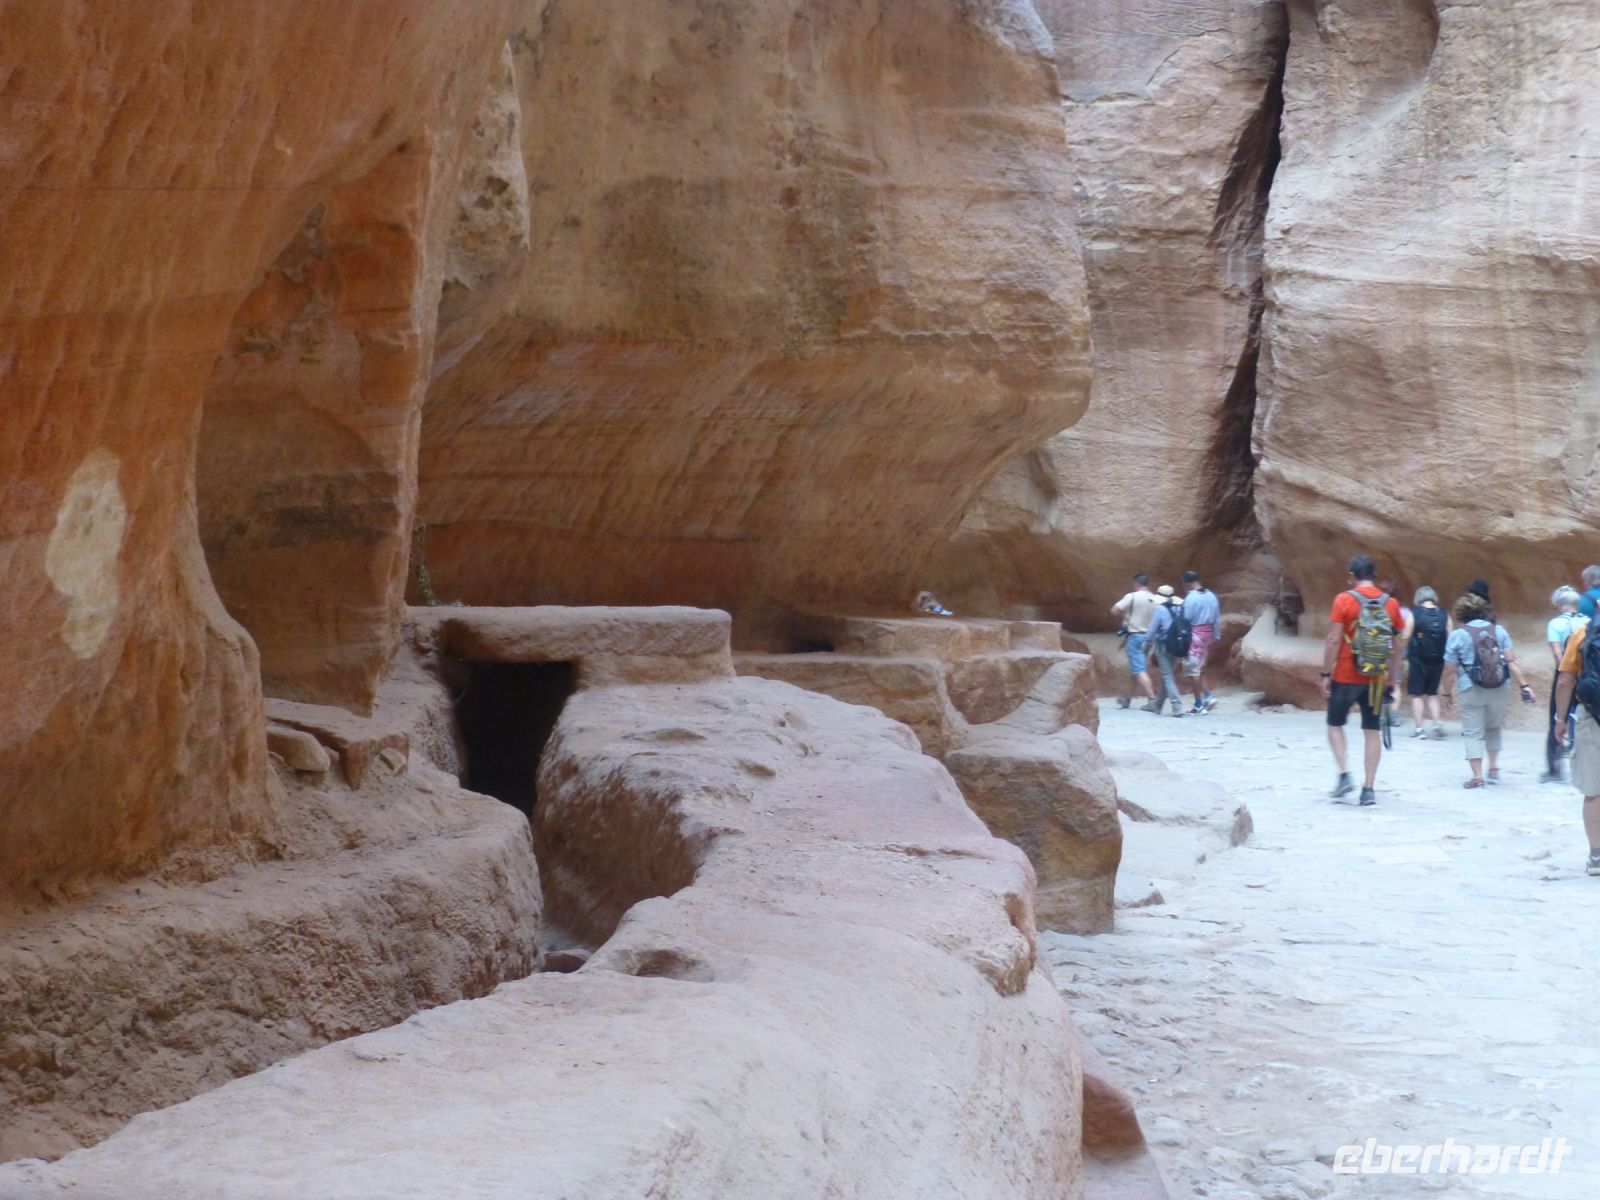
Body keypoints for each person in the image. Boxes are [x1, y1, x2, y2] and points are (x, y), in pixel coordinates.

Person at [1321, 555, 1408, 805]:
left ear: (1351, 576)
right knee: (1372, 731)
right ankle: (1368, 789)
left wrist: (1326, 673)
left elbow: (1334, 639)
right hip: (1376, 679)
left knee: (1334, 724)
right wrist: (1392, 678)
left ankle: (1344, 774)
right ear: (1374, 576)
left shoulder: (1344, 600)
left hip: (1346, 675)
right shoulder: (1390, 604)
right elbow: (1398, 645)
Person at [1441, 593, 1535, 788]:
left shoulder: (1457, 635)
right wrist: (1525, 686)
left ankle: (1477, 776)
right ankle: (1493, 768)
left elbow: (1450, 670)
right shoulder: (1499, 631)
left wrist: (1446, 693)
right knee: (1493, 726)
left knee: (1473, 732)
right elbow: (1511, 661)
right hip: (1500, 686)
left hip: (1470, 687)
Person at [1551, 621, 1600, 875]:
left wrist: (1560, 720)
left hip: (1592, 717)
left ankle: (1597, 856)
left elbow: (1564, 680)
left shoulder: (1583, 632)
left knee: (1593, 790)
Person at [1544, 586, 1589, 780]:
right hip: (1586, 676)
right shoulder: (1587, 621)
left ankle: (1554, 769)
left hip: (1565, 673)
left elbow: (1556, 652)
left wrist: (1565, 672)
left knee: (1556, 717)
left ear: (1559, 604)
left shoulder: (1556, 623)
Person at [1111, 573, 1160, 711]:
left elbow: (1114, 610)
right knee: (1137, 667)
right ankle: (1127, 698)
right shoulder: (1155, 598)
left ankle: (1152, 700)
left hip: (1135, 636)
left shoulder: (1132, 597)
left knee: (1138, 669)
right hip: (1149, 637)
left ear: (1136, 584)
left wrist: (1127, 617)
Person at [1407, 586, 1450, 738]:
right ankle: (1437, 721)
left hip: (1418, 658)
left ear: (1418, 598)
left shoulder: (1414, 613)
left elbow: (1406, 634)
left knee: (1417, 694)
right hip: (1438, 659)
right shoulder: (1444, 614)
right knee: (1432, 693)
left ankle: (1419, 729)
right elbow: (1450, 636)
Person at [1180, 569, 1221, 714]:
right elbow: (1216, 618)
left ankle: (1198, 704)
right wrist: (1215, 636)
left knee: (1193, 671)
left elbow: (1186, 617)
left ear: (1186, 583)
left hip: (1195, 634)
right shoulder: (1211, 596)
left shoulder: (1191, 598)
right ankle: (1208, 696)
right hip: (1208, 634)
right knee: (1200, 667)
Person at [1144, 585, 1187, 717]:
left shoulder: (1160, 609)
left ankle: (1177, 706)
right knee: (1167, 675)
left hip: (1163, 647)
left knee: (1168, 677)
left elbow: (1152, 629)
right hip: (1177, 646)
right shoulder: (1179, 608)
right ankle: (1158, 704)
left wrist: (1146, 642)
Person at [1379, 579, 1413, 728]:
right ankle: (1393, 715)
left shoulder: (1377, 608)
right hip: (1397, 652)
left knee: (1379, 683)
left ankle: (1380, 715)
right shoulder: (1405, 612)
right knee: (1395, 685)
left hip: (1379, 650)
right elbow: (1405, 635)